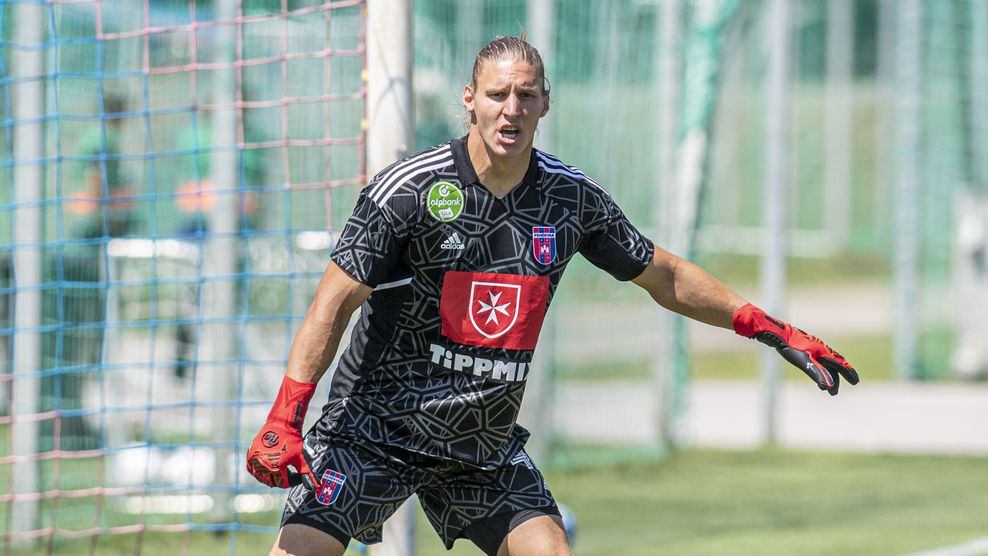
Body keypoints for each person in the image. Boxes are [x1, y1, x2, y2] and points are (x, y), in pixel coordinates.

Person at [246, 35, 859, 556]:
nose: (511, 110)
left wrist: (766, 326)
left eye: (526, 95)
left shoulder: (570, 199)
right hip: (373, 430)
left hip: (481, 447)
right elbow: (332, 305)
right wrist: (285, 416)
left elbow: (664, 275)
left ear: (545, 103)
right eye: (497, 95)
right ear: (470, 99)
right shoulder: (409, 189)